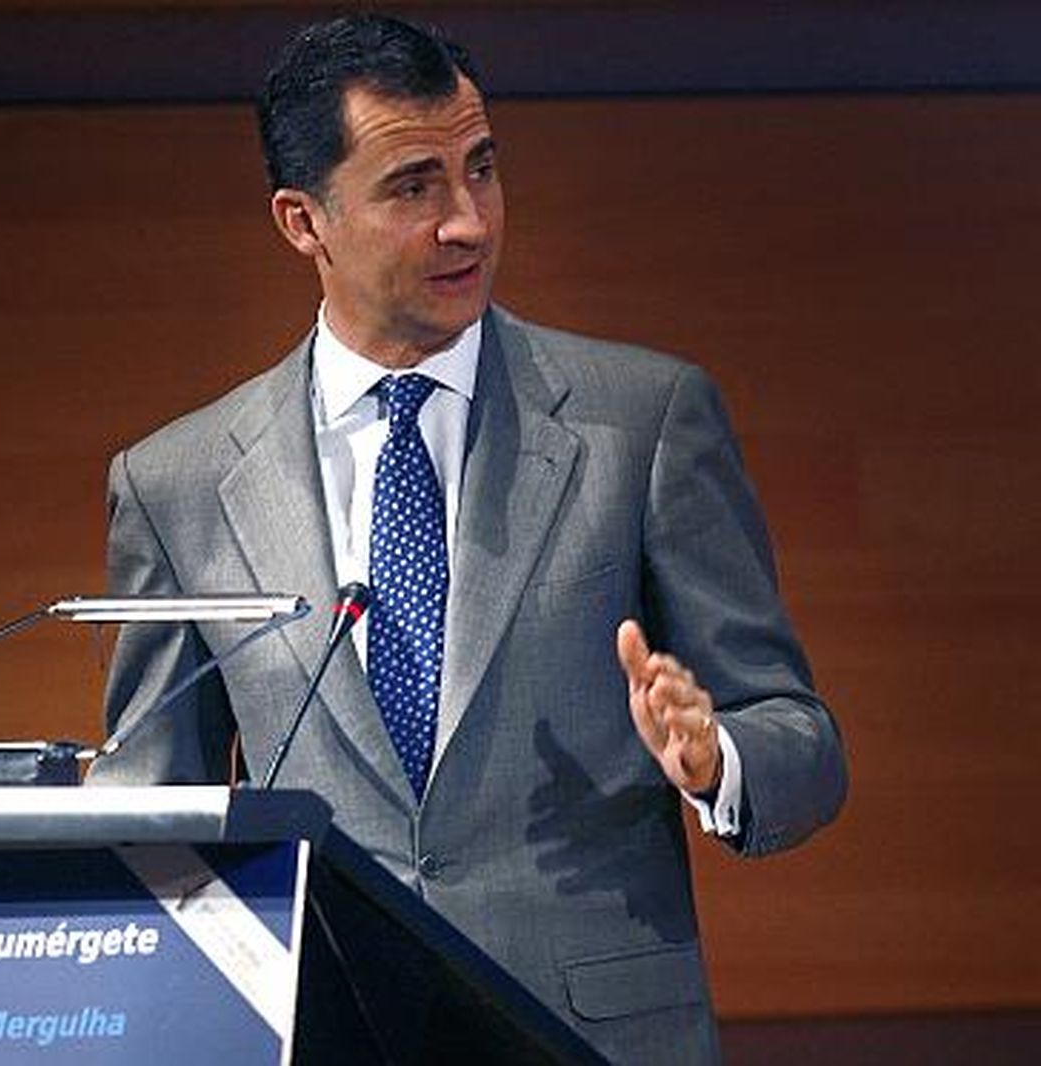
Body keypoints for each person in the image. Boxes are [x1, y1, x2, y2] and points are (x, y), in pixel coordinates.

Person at [86, 14, 846, 1064]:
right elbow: (155, 815)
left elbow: (802, 741)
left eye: (480, 169)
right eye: (413, 187)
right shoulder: (178, 482)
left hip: (588, 1037)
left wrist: (718, 756)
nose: (468, 222)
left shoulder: (642, 420)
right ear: (301, 220)